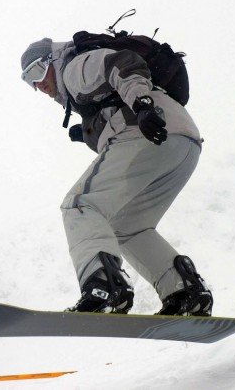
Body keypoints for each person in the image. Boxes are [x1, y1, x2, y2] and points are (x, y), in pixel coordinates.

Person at [20, 37, 213, 316]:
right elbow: (114, 105)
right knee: (127, 227)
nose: (38, 85)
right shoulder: (80, 91)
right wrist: (90, 133)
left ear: (51, 61)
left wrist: (142, 104)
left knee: (79, 205)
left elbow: (123, 63)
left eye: (37, 72)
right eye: (29, 82)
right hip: (184, 145)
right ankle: (185, 290)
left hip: (148, 133)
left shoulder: (72, 67)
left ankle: (104, 287)